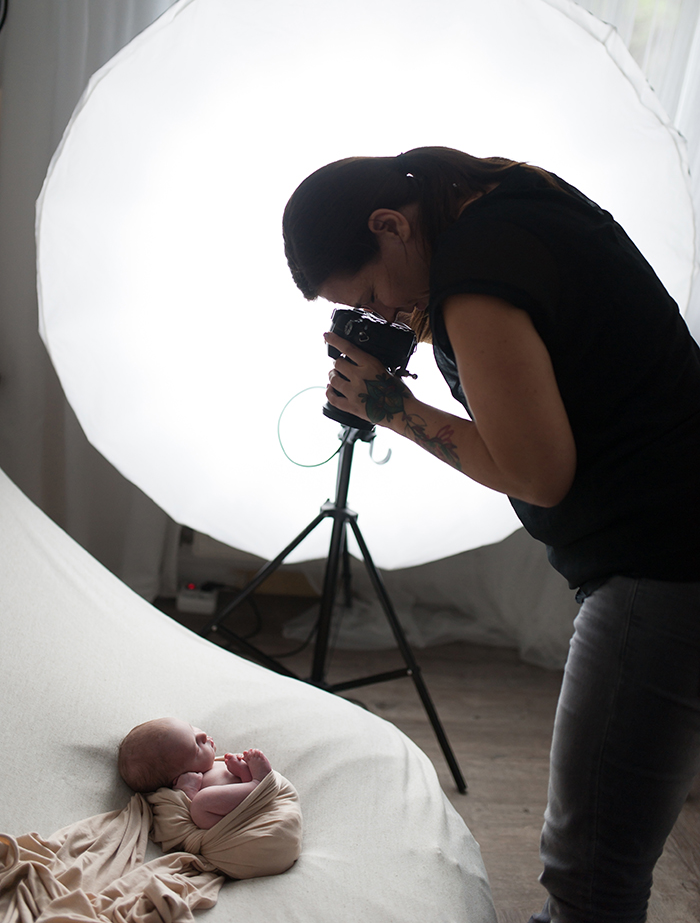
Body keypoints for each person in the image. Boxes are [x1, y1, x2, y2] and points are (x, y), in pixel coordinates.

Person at [282, 147, 700, 923]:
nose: (382, 314)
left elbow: (538, 473)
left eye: (372, 292)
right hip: (668, 540)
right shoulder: (505, 198)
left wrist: (390, 408)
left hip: (663, 559)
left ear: (390, 225)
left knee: (592, 879)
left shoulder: (475, 276)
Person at [118, 718, 273, 829]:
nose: (203, 735)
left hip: (266, 815)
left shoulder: (217, 763)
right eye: (197, 748)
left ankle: (254, 785)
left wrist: (243, 771)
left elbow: (239, 806)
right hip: (245, 832)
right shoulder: (177, 796)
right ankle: (257, 783)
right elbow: (180, 825)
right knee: (200, 805)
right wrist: (188, 794)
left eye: (192, 728)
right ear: (179, 778)